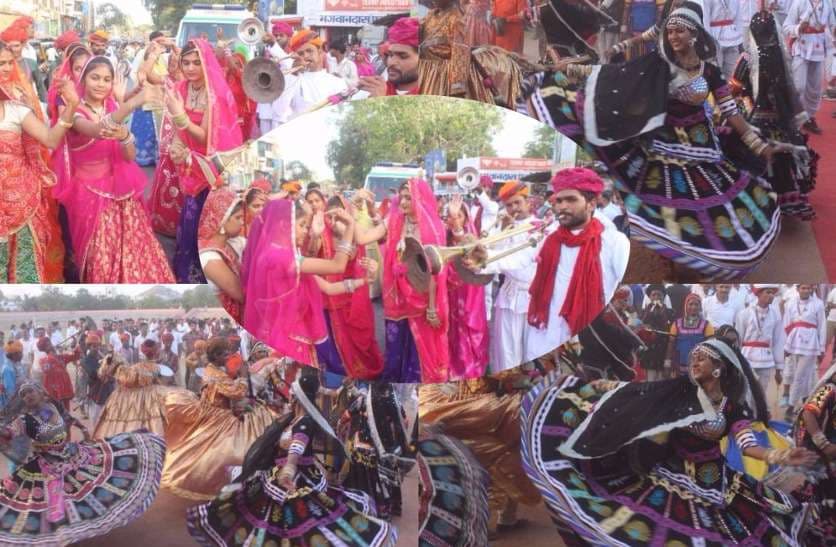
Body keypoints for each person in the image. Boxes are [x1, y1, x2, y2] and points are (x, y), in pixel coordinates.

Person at [532, 1, 789, 278]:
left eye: (680, 31)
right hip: (663, 145)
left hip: (703, 147)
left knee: (712, 206)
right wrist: (571, 71)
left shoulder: (711, 72)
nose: (673, 37)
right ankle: (671, 258)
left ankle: (705, 258)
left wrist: (756, 144)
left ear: (695, 34)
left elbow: (730, 112)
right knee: (664, 206)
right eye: (670, 32)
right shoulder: (658, 64)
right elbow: (614, 77)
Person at [522, 338, 820, 545]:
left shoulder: (731, 408)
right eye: (693, 357)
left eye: (701, 358)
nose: (694, 361)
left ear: (719, 368)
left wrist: (778, 457)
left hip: (714, 485)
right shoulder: (678, 393)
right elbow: (637, 397)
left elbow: (746, 444)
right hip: (668, 476)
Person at [186, 370, 395, 545]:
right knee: (269, 518)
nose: (290, 395)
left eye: (293, 392)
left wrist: (289, 467)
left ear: (298, 395)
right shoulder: (293, 418)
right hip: (281, 476)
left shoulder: (304, 421)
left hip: (295, 480)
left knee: (293, 524)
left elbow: (298, 445)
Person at [52, 56, 175, 283]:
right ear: (83, 80)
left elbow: (129, 156)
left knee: (137, 249)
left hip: (121, 192)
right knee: (101, 253)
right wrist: (133, 102)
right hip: (89, 193)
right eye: (95, 78)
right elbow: (98, 130)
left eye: (107, 79)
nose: (101, 84)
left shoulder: (111, 107)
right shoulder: (74, 112)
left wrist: (127, 137)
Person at [0, 382, 166, 545]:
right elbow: (9, 432)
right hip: (48, 464)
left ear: (39, 392)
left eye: (30, 391)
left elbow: (68, 418)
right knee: (55, 498)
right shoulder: (24, 420)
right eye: (23, 395)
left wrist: (83, 429)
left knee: (86, 485)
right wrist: (3, 432)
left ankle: (80, 527)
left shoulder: (52, 405)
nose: (27, 396)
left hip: (72, 453)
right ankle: (67, 532)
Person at [157, 39, 244, 283]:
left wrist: (181, 116)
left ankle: (209, 276)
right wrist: (176, 144)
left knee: (205, 220)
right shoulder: (182, 88)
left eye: (196, 62)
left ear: (206, 63)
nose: (191, 68)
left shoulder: (214, 94)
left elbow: (205, 136)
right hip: (188, 164)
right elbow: (177, 128)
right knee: (189, 218)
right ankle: (187, 273)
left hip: (209, 167)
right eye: (186, 63)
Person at [524, 168, 630, 362]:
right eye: (559, 200)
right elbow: (520, 257)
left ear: (591, 204)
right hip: (545, 333)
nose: (562, 206)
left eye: (571, 200)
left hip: (589, 338)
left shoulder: (614, 241)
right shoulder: (549, 237)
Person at [0, 43, 80, 282]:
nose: (5, 69)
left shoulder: (16, 110)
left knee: (25, 270)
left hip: (21, 202)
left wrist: (72, 107)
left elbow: (49, 139)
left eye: (7, 63)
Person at [729, 8, 818, 220]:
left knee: (732, 135)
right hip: (780, 119)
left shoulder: (748, 57)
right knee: (784, 156)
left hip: (755, 117)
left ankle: (758, 199)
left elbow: (735, 88)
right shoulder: (781, 56)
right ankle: (788, 198)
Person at [162, 336, 275, 500]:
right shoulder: (216, 374)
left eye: (229, 354)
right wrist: (243, 376)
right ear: (215, 356)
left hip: (214, 412)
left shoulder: (211, 369)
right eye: (224, 355)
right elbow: (238, 392)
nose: (228, 357)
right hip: (219, 416)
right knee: (227, 452)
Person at [382, 178, 450, 383]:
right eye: (401, 197)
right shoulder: (396, 223)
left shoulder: (432, 227)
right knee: (399, 344)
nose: (402, 202)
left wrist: (431, 307)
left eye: (408, 198)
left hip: (421, 298)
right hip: (399, 297)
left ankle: (420, 392)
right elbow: (366, 237)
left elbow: (436, 271)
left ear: (420, 199)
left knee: (421, 349)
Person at [445, 195, 489, 379]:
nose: (453, 219)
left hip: (469, 294)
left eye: (459, 216)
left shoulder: (470, 239)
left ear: (466, 219)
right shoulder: (443, 238)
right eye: (448, 216)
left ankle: (470, 370)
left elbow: (466, 245)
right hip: (450, 294)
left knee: (469, 330)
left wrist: (456, 226)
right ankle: (454, 369)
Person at [92, 340, 175, 439]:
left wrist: (117, 370)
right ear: (155, 353)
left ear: (142, 353)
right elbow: (162, 380)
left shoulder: (136, 367)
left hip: (133, 399)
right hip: (154, 397)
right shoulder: (157, 368)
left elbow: (128, 380)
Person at [794, 363, 836, 542]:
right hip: (815, 451)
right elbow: (808, 414)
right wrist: (824, 444)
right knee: (812, 492)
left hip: (830, 453)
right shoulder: (828, 389)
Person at [783, 0, 835, 134]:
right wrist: (799, 27)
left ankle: (808, 118)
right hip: (801, 48)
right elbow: (786, 26)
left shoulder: (827, 3)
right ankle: (793, 119)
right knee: (799, 86)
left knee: (815, 89)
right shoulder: (799, 3)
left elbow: (833, 25)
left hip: (820, 49)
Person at [199, 188, 246, 322]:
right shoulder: (209, 258)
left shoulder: (231, 242)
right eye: (238, 218)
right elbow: (241, 294)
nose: (242, 222)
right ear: (222, 221)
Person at [781, 284, 826, 415]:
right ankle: (806, 401)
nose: (806, 291)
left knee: (799, 376)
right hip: (794, 342)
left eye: (808, 288)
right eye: (803, 288)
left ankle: (790, 406)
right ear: (798, 289)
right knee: (800, 375)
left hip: (810, 343)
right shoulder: (790, 303)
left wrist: (821, 347)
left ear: (812, 289)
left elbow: (822, 326)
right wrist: (785, 345)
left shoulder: (818, 304)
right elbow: (786, 324)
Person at [735, 284, 785, 394]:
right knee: (746, 392)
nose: (771, 295)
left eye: (773, 293)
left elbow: (778, 342)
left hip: (766, 360)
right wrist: (737, 362)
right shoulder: (744, 314)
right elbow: (738, 340)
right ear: (759, 294)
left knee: (761, 393)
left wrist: (778, 369)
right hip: (747, 357)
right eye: (768, 292)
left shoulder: (775, 316)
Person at [666, 293, 714, 376]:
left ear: (700, 307)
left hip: (699, 367)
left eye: (696, 304)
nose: (694, 307)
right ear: (685, 306)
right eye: (691, 304)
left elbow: (711, 347)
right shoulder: (677, 323)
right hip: (679, 366)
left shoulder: (706, 325)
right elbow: (671, 344)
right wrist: (667, 363)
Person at [639, 284, 674, 380]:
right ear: (649, 297)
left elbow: (670, 326)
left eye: (659, 295)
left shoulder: (670, 311)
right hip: (649, 350)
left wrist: (662, 311)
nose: (656, 297)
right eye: (653, 295)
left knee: (662, 379)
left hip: (664, 349)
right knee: (650, 379)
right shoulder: (644, 311)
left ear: (663, 297)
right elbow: (640, 324)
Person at [704, 0, 744, 78]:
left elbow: (738, 17)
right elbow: (705, 19)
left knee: (733, 73)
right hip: (715, 38)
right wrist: (708, 42)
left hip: (732, 37)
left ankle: (730, 90)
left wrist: (740, 38)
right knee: (716, 72)